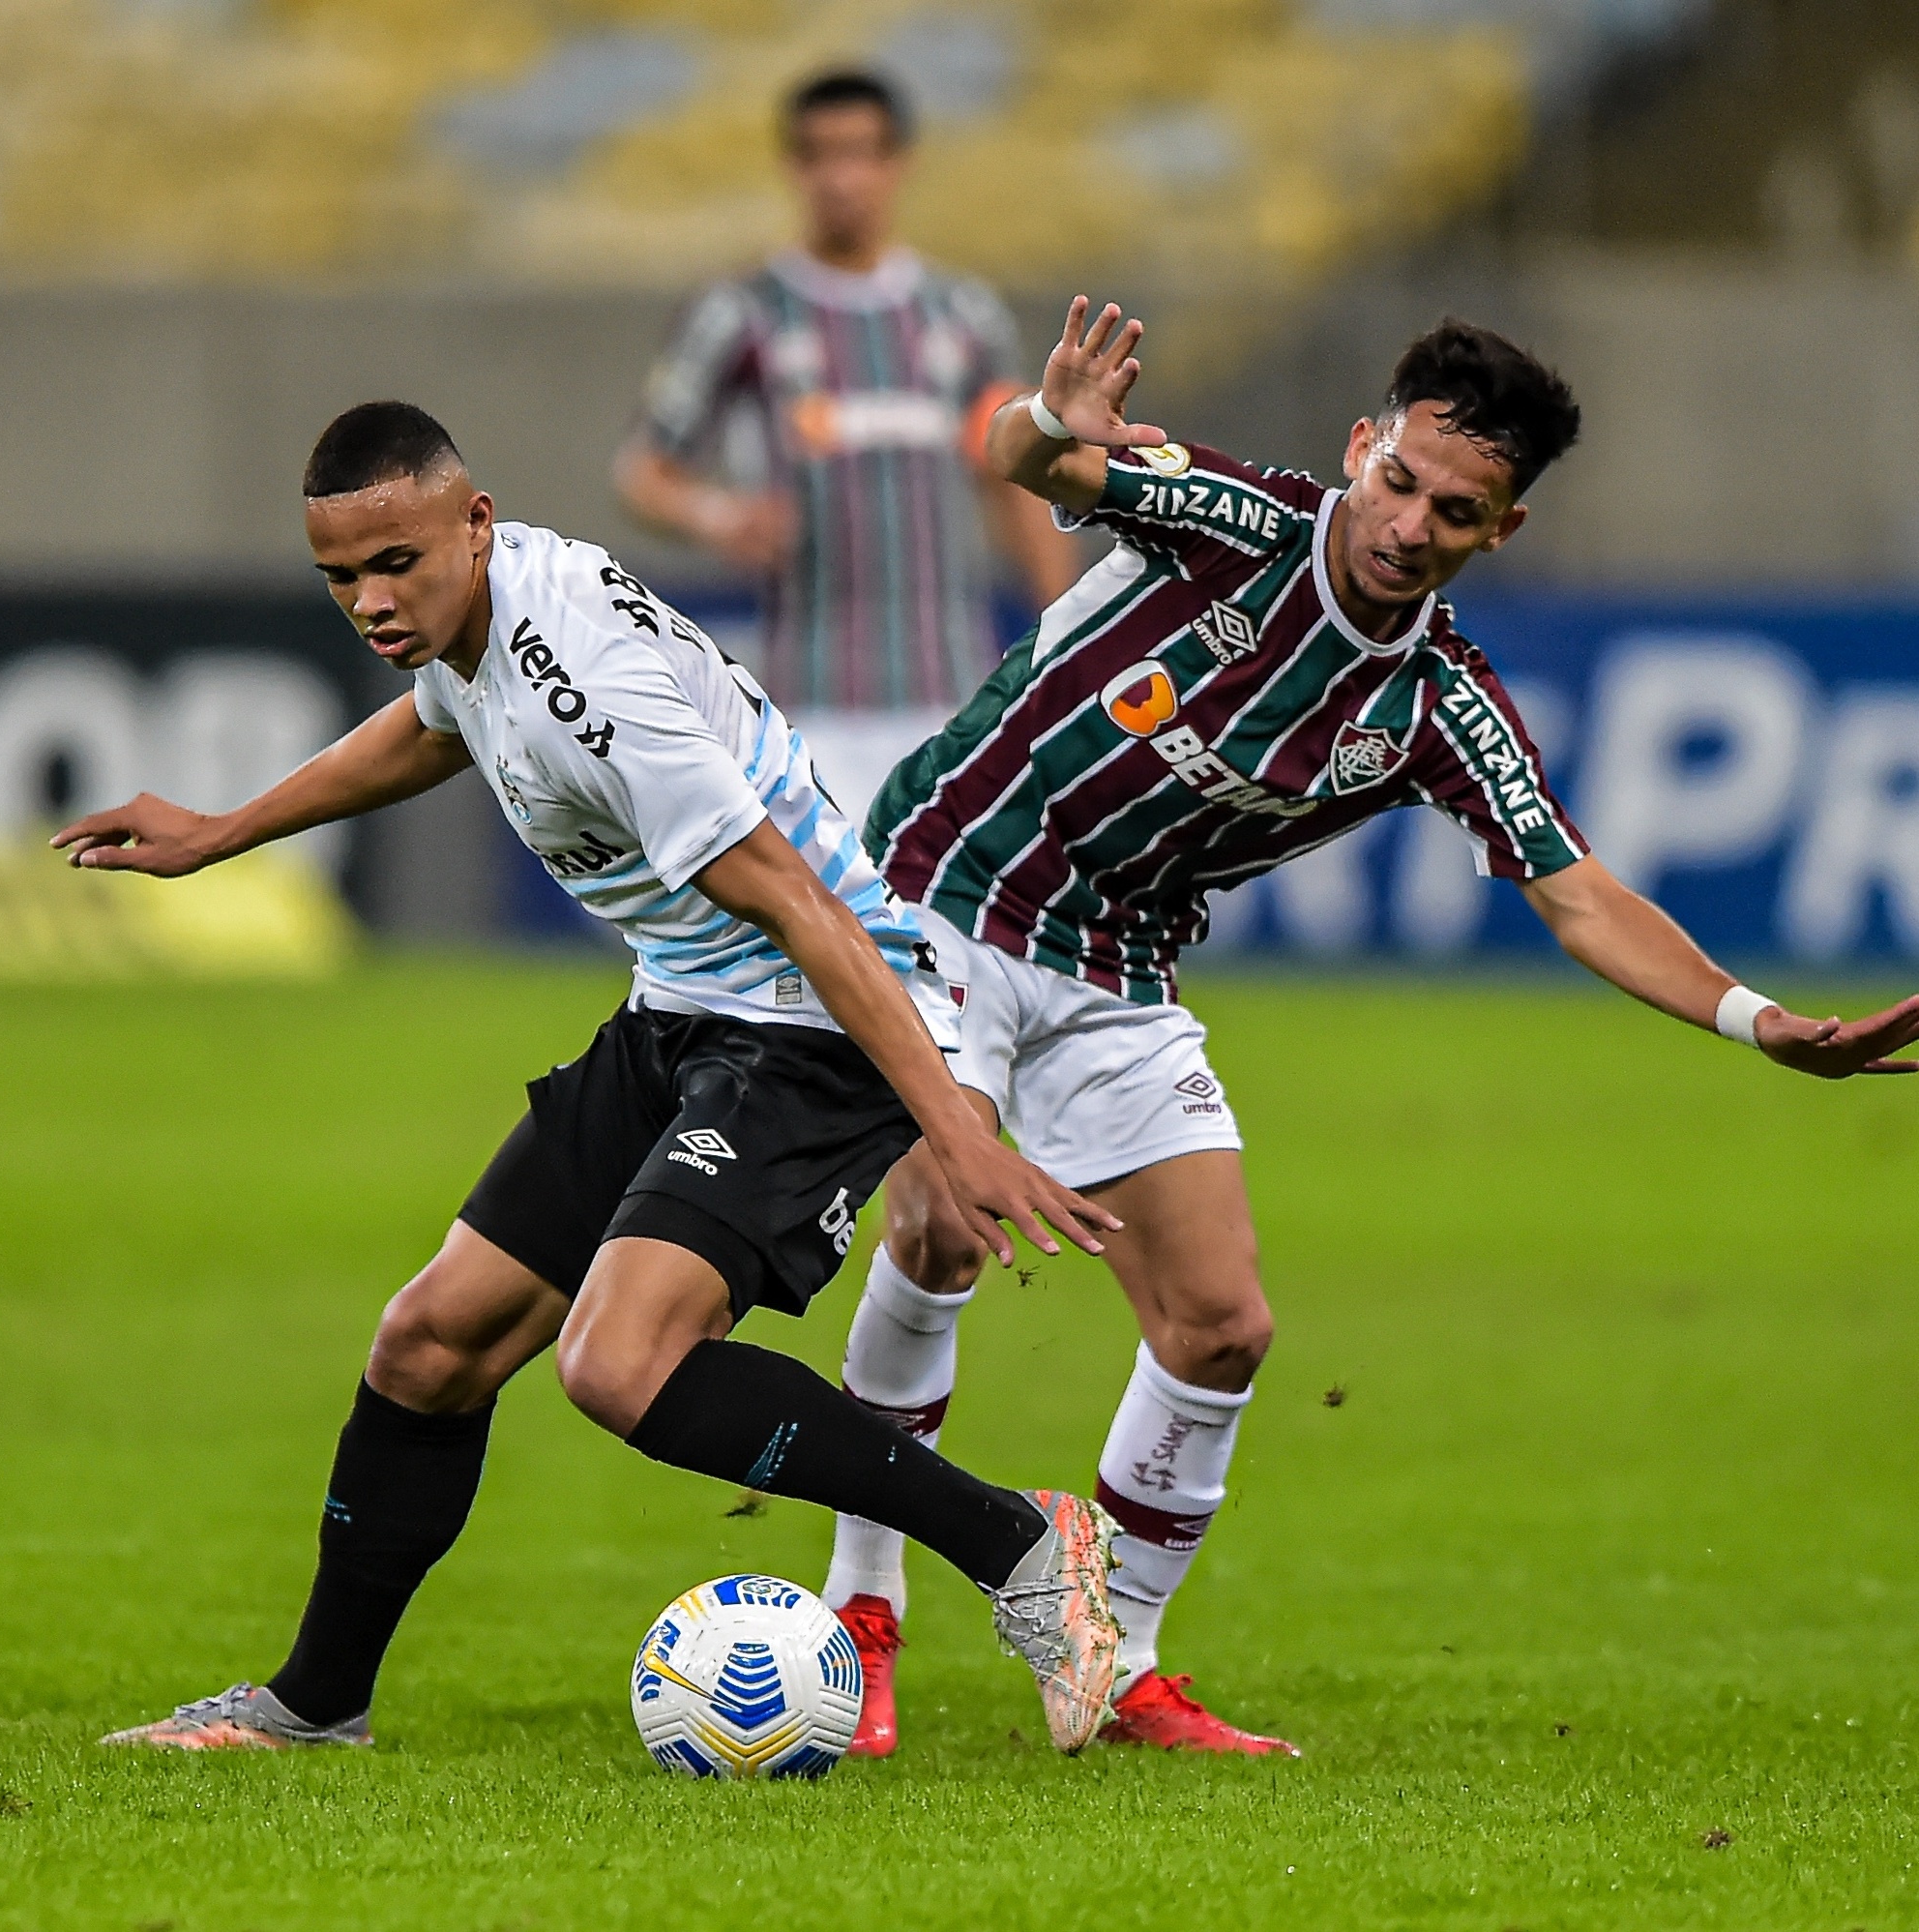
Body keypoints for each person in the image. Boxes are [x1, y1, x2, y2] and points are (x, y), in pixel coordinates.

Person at [820, 297, 1919, 1758]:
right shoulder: (1238, 521)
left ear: (1500, 530)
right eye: (1397, 479)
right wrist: (1049, 420)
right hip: (942, 892)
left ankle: (1116, 1666)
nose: (1408, 522)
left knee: (1221, 1327)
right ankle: (863, 1607)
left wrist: (1759, 1019)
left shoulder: (1438, 705)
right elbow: (1041, 467)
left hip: (1115, 965)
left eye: (1454, 509)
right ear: (1362, 447)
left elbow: (1578, 893)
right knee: (946, 1224)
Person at [56, 401, 1125, 1757]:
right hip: (685, 1007)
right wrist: (227, 831)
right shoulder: (477, 618)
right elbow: (435, 724)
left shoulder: (593, 686)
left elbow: (803, 905)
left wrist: (952, 1127)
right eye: (343, 578)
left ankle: (1022, 1541)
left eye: (398, 565)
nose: (373, 604)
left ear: (476, 520)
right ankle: (313, 1707)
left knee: (619, 1362)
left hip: (814, 1022)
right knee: (429, 1344)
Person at [615, 68, 1078, 714]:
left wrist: (1067, 642)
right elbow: (644, 471)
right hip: (810, 705)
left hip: (950, 694)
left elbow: (1019, 486)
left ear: (900, 164)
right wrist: (716, 514)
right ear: (791, 167)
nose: (840, 179)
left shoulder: (965, 316)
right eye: (819, 156)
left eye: (860, 154)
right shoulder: (743, 313)